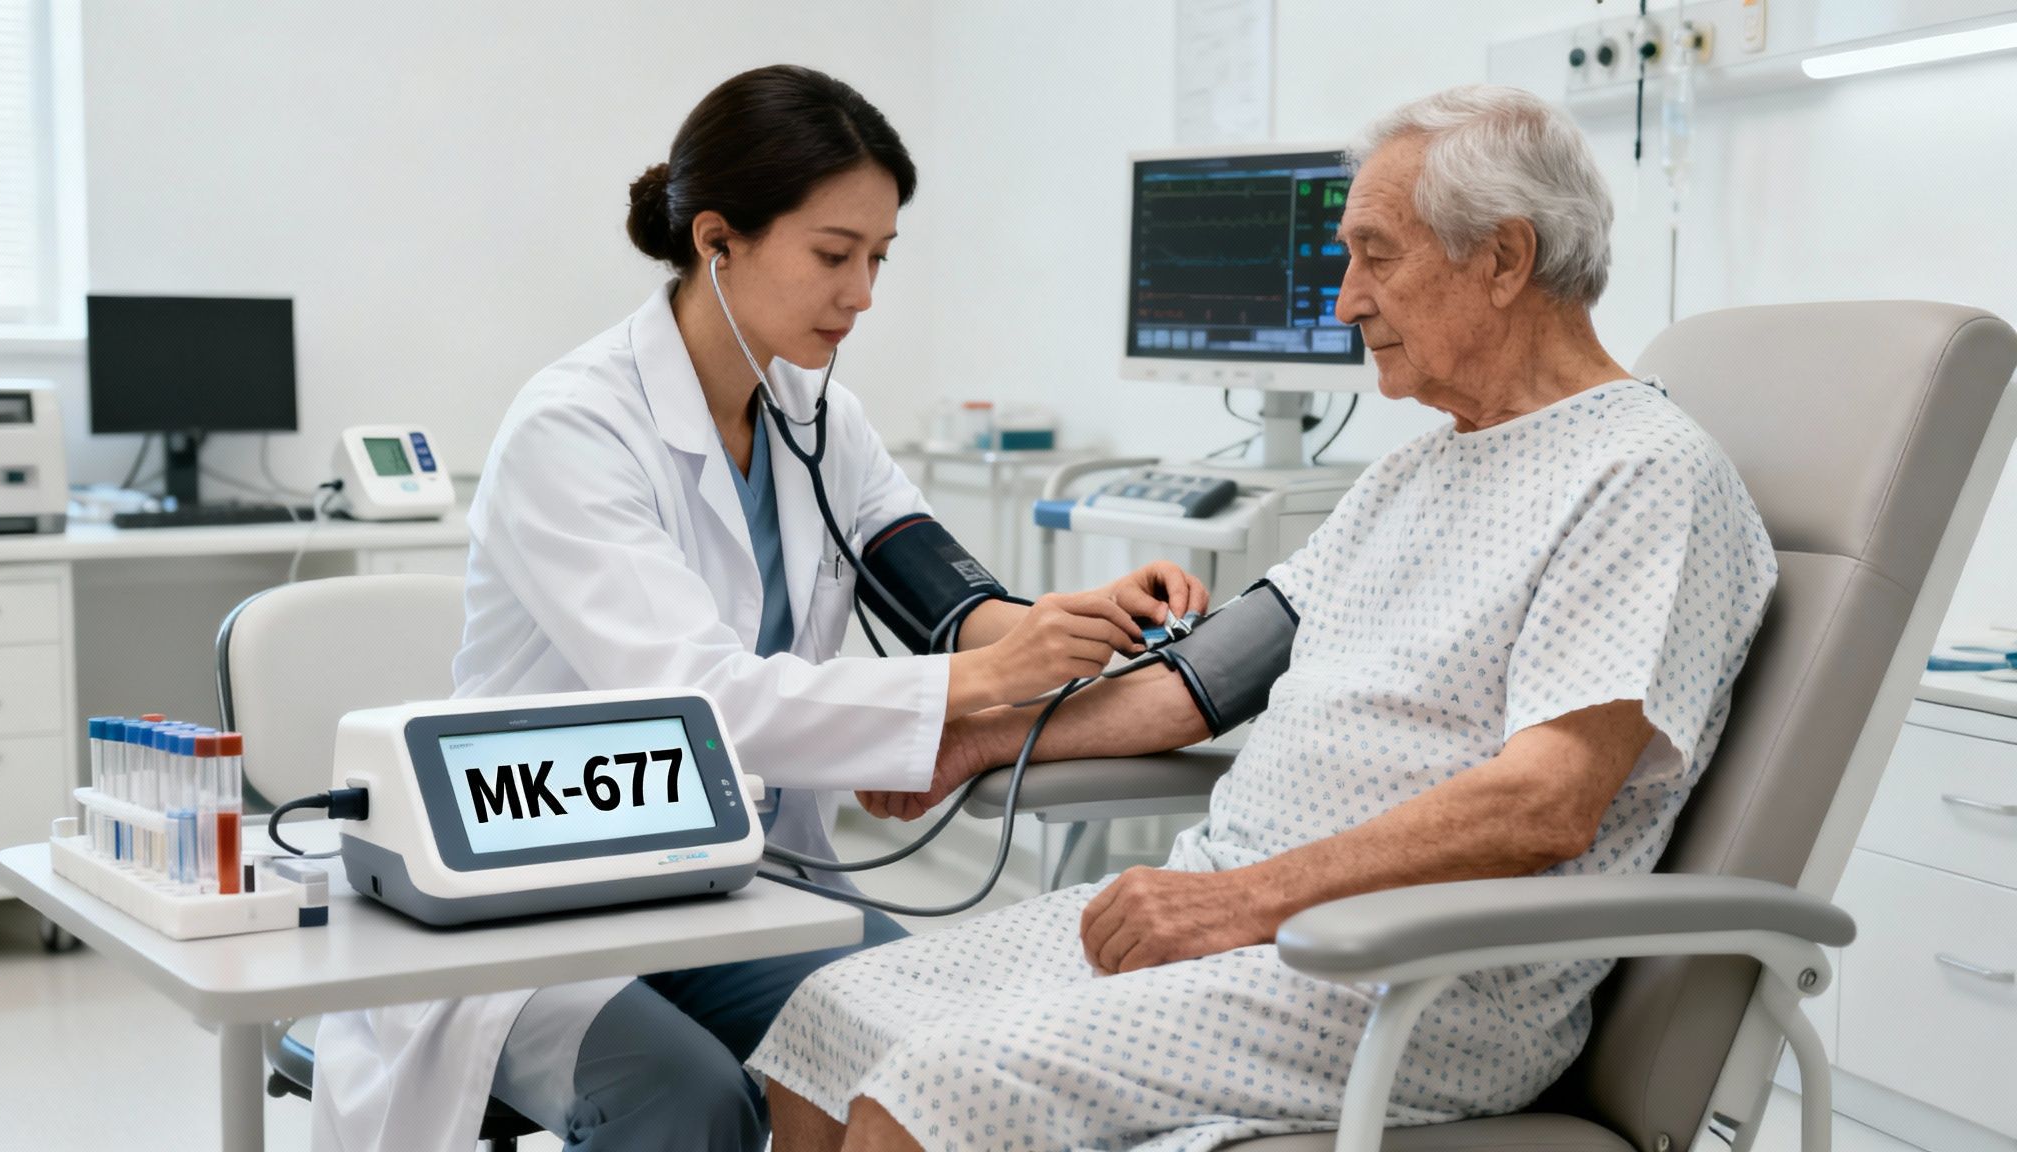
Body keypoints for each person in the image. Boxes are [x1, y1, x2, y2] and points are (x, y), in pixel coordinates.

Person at [753, 84, 1780, 1152]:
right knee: (831, 1021)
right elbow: (1199, 680)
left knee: (932, 1094)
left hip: (1406, 974)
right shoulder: (1411, 471)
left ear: (1504, 259)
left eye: (1374, 255)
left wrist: (1242, 903)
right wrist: (984, 736)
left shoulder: (1641, 476)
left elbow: (1545, 803)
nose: (1342, 303)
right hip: (1238, 913)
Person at [309, 64, 1206, 1152]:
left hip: (734, 886)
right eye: (834, 255)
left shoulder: (815, 411)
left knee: (928, 1039)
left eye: (878, 258)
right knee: (686, 1101)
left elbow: (935, 590)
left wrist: (1072, 618)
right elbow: (703, 703)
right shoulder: (573, 430)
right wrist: (990, 680)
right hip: (545, 890)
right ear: (717, 239)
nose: (863, 293)